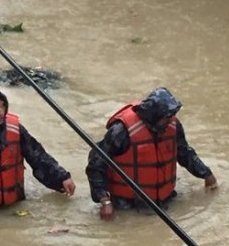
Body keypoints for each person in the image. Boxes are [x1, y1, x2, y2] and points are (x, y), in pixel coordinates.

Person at [85, 87, 218, 221]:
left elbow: (184, 153)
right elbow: (95, 164)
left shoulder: (172, 126)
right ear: (154, 116)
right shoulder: (121, 132)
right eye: (166, 117)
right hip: (127, 204)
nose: (171, 120)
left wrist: (206, 174)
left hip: (166, 199)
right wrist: (105, 201)